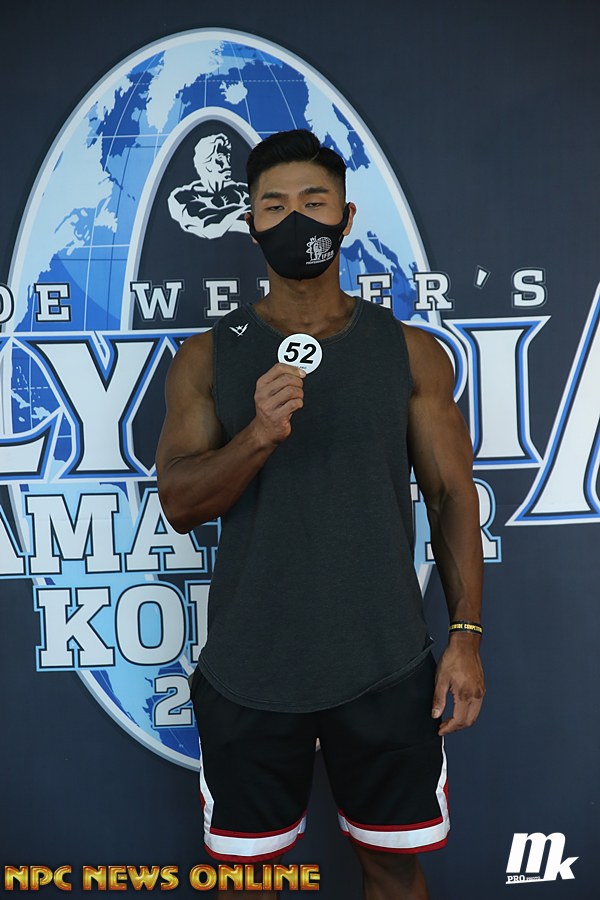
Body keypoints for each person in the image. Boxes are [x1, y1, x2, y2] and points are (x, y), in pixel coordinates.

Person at [156, 129, 485, 899]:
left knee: (393, 869)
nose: (296, 218)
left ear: (346, 217)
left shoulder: (410, 352)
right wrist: (257, 437)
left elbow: (451, 496)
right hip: (250, 670)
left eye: (314, 201)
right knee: (249, 879)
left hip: (384, 663)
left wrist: (466, 636)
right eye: (275, 205)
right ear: (251, 223)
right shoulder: (208, 356)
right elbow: (181, 503)